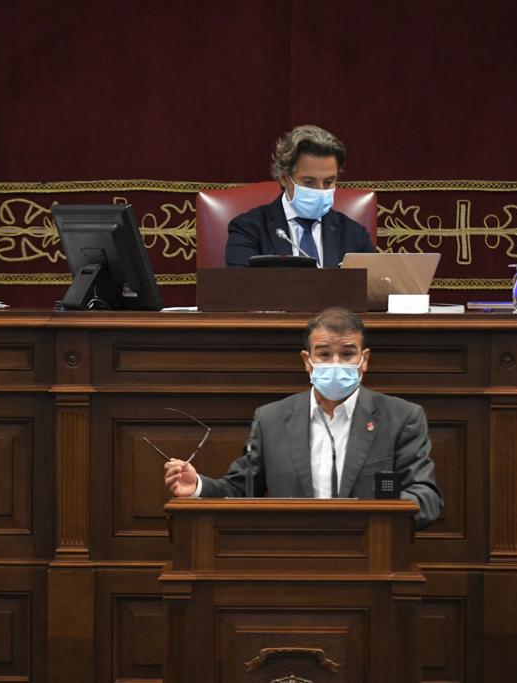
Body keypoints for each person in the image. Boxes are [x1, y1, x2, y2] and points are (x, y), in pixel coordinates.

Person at [164, 307, 443, 529]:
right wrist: (198, 485)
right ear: (307, 361)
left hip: (372, 559)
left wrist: (382, 513)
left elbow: (426, 498)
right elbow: (241, 489)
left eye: (347, 354)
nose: (335, 364)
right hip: (291, 561)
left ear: (364, 359)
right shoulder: (271, 419)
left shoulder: (401, 417)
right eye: (324, 354)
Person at [225, 124, 376, 268]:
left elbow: (373, 290)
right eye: (309, 182)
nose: (320, 190)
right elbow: (241, 288)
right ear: (284, 178)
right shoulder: (249, 229)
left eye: (329, 182)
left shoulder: (355, 235)